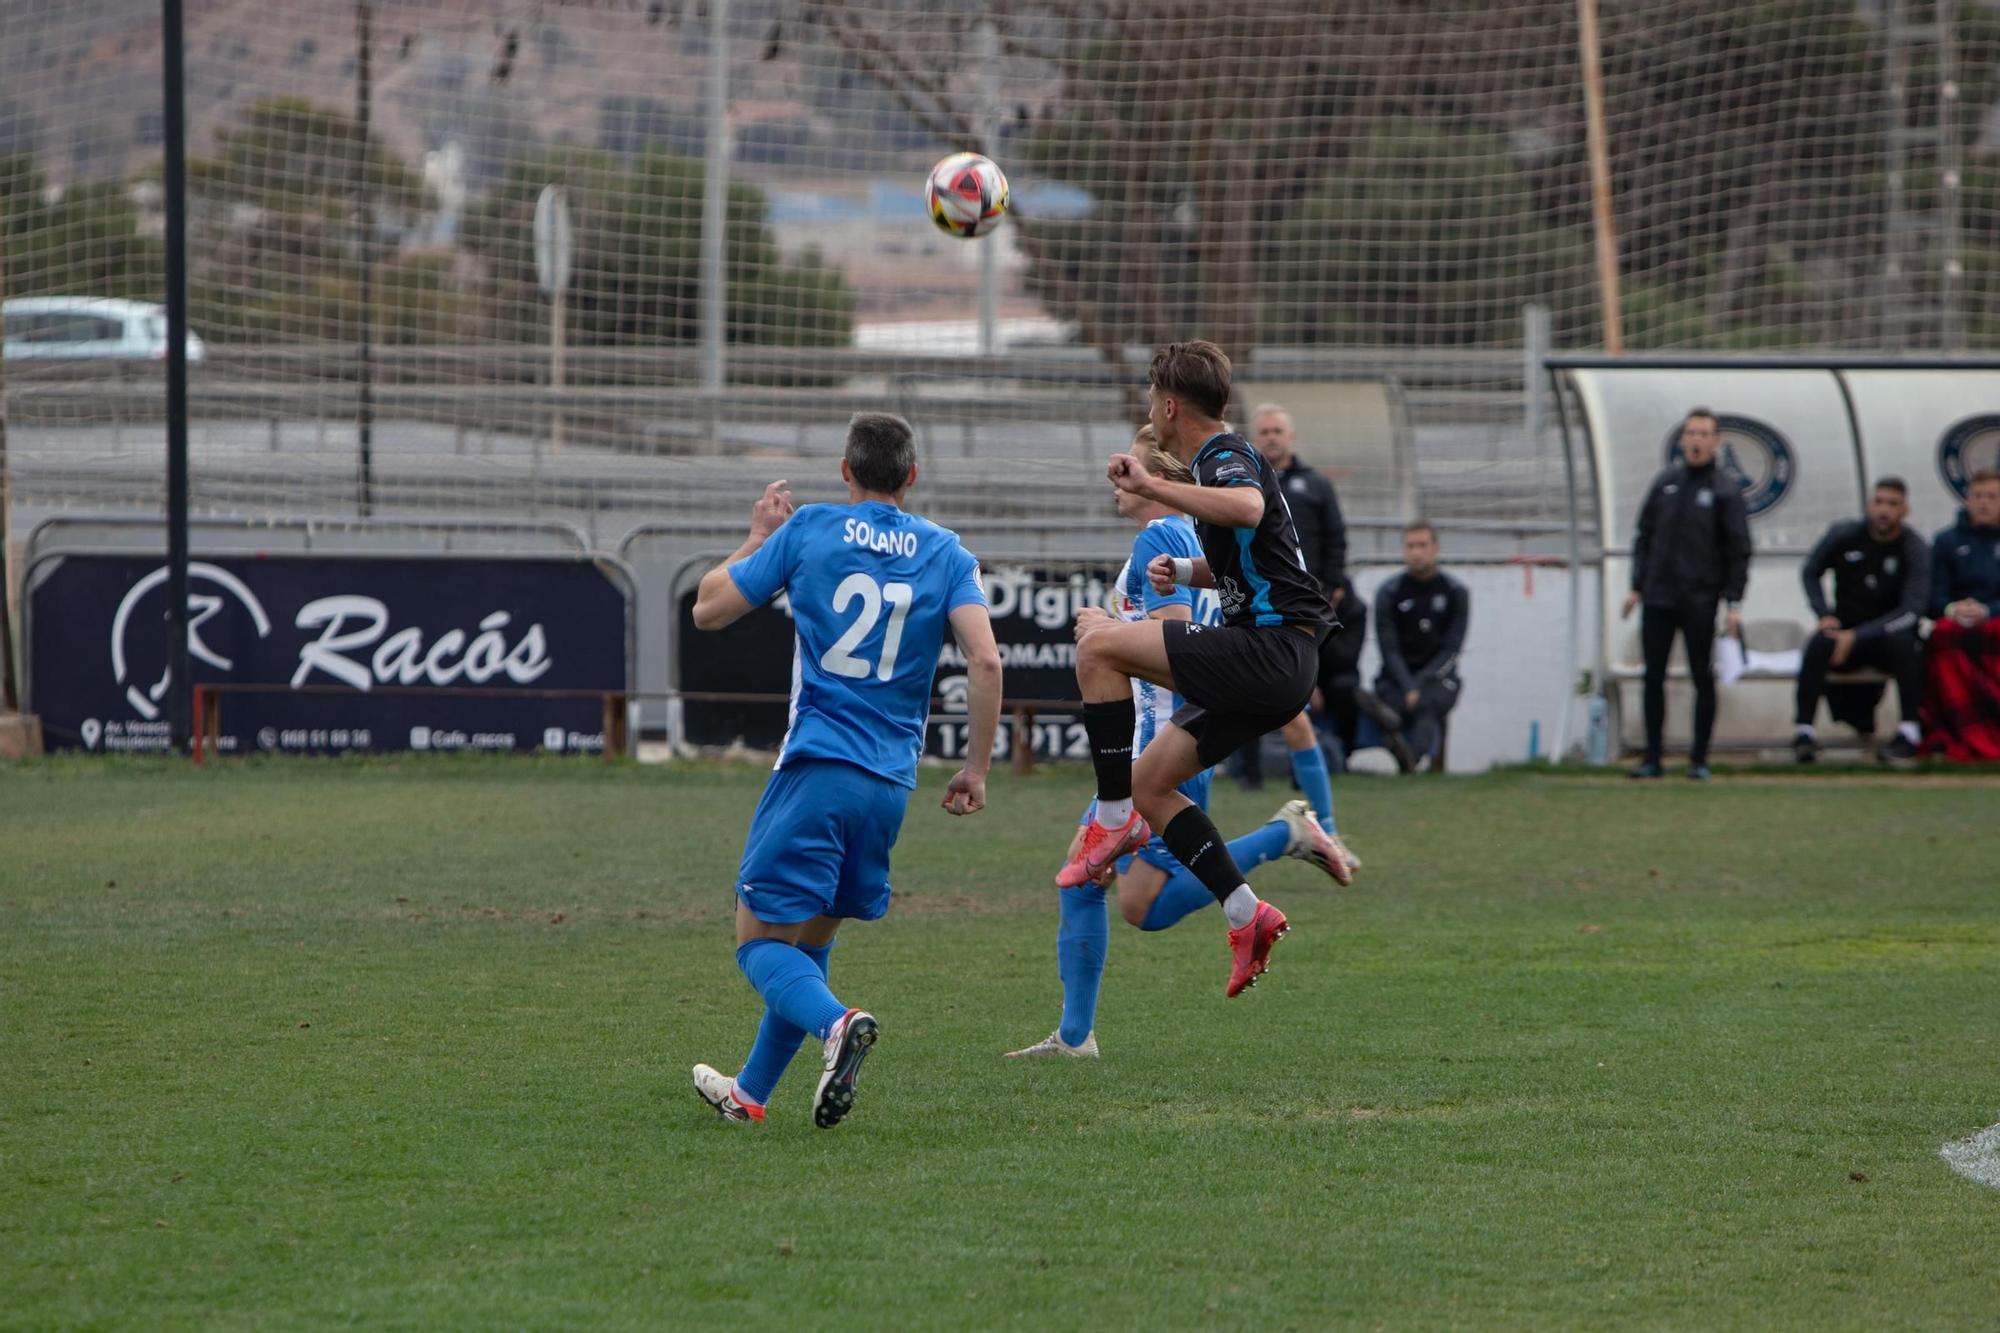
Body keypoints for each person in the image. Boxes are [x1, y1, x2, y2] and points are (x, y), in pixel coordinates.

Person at [686, 412, 1003, 1128]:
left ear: (845, 470)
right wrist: (975, 769)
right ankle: (751, 1093)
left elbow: (707, 609)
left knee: (759, 941)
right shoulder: (947, 551)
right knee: (814, 938)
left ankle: (838, 1025)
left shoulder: (812, 530)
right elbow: (985, 659)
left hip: (819, 766)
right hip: (890, 784)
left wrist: (759, 537)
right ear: (913, 477)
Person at [1008, 429, 1356, 1059]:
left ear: (1154, 473)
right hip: (1181, 740)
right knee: (1142, 906)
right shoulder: (1193, 539)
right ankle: (1279, 846)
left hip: (1156, 742)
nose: (1117, 480)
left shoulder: (1159, 536)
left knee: (1082, 881)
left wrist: (1111, 630)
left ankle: (1076, 1036)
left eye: (1129, 467)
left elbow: (1177, 639)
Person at [1055, 340, 1335, 998]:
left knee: (1098, 645)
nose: (1152, 409)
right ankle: (1247, 914)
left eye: (1154, 398)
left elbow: (1248, 510)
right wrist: (1185, 570)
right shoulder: (1221, 466)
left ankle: (1115, 816)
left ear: (1170, 404)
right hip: (1271, 656)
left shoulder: (1223, 455)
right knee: (1152, 782)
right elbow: (1254, 560)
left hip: (1269, 652)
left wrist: (1153, 484)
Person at [1622, 407, 1752, 781]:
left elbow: (1738, 550)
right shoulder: (1665, 482)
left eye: (1704, 434)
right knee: (1653, 676)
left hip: (1699, 599)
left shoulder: (1725, 490)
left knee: (1701, 676)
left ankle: (1699, 758)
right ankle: (1652, 758)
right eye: (1691, 433)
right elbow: (1644, 536)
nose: (1697, 440)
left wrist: (1733, 601)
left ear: (1715, 442)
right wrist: (1636, 585)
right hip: (1659, 597)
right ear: (1682, 439)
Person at [1226, 404, 1350, 792]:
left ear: (1290, 436)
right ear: (1255, 438)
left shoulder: (1314, 485)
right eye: (1264, 432)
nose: (1271, 437)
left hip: (1304, 605)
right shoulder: (1242, 484)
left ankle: (1306, 774)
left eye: (1277, 430)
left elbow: (1336, 539)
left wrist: (1331, 588)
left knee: (1301, 690)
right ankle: (1248, 772)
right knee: (1247, 685)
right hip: (1257, 603)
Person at [1793, 477, 1929, 765]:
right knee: (1818, 644)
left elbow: (1912, 610)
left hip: (1886, 636)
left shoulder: (1914, 548)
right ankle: (1803, 733)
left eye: (1892, 504)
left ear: (1905, 510)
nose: (1884, 510)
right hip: (1845, 634)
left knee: (1907, 646)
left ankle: (1909, 732)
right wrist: (1824, 614)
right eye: (1879, 502)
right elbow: (1810, 571)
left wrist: (1858, 636)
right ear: (1869, 505)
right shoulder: (1844, 535)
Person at [1359, 522, 1469, 773]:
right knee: (1395, 699)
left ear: (1435, 548)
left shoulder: (1455, 592)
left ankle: (1408, 755)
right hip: (1397, 677)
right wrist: (1409, 686)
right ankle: (1398, 733)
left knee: (1427, 702)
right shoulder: (1389, 592)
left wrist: (1419, 685)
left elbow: (1452, 649)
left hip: (1438, 678)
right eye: (1410, 546)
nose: (1416, 552)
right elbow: (1389, 650)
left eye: (1422, 545)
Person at [1922, 469, 2000, 762]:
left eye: (1992, 497)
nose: (1984, 503)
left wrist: (1987, 611)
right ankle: (1954, 730)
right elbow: (1933, 599)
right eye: (1978, 496)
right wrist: (1953, 609)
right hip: (1958, 625)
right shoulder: (1946, 541)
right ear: (1967, 500)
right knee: (1942, 634)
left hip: (1995, 623)